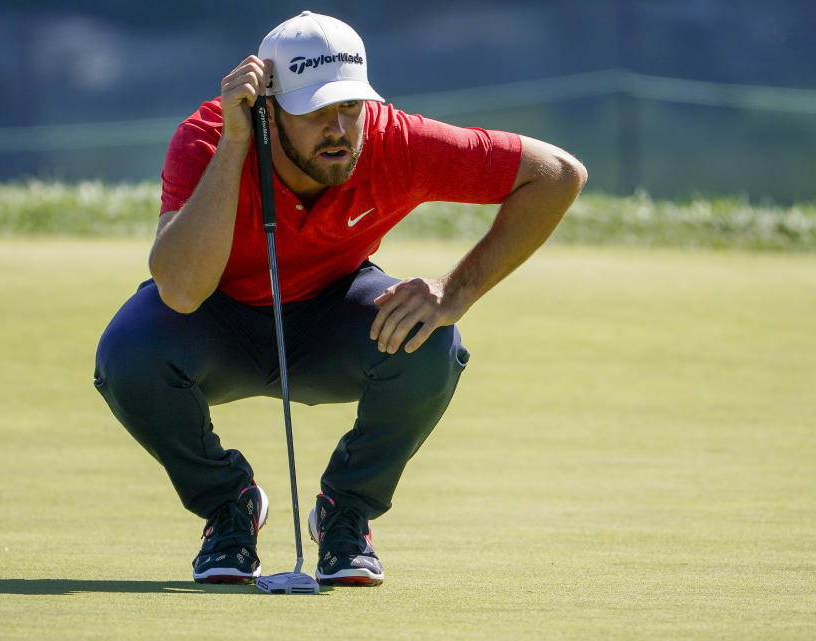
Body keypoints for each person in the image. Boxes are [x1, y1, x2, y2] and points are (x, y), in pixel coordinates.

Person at [94, 10, 587, 587]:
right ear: (269, 109)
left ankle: (345, 513)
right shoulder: (207, 138)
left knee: (430, 339)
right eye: (314, 111)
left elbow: (557, 173)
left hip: (332, 318)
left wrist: (457, 290)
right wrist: (235, 145)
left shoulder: (393, 141)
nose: (338, 129)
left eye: (348, 106)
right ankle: (229, 507)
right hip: (213, 322)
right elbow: (179, 289)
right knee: (128, 351)